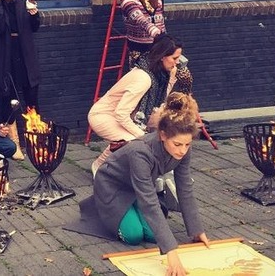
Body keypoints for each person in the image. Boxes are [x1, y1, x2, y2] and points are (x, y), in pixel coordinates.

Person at [80, 92, 210, 276]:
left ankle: (131, 208)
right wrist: (171, 252)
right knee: (134, 235)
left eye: (187, 145)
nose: (182, 150)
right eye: (178, 144)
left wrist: (196, 229)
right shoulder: (140, 152)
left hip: (137, 187)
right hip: (112, 185)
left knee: (151, 234)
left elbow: (185, 188)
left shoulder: (183, 146)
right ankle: (103, 209)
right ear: (163, 135)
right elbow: (149, 201)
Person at [89, 34, 183, 175]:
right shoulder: (143, 78)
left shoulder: (158, 73)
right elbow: (121, 114)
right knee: (137, 144)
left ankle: (158, 170)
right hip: (103, 116)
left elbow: (161, 100)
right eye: (174, 58)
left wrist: (171, 78)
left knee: (163, 128)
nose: (177, 63)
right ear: (163, 56)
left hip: (124, 114)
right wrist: (142, 136)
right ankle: (100, 166)